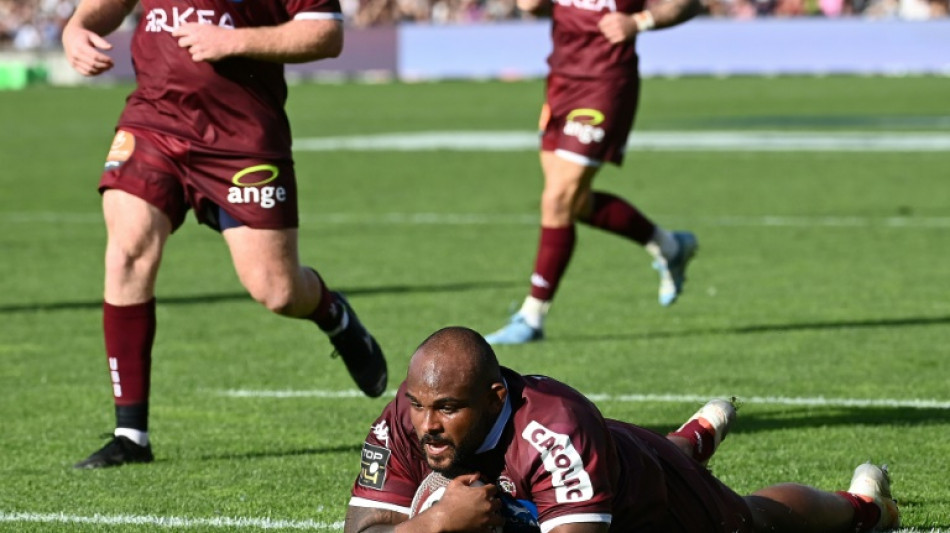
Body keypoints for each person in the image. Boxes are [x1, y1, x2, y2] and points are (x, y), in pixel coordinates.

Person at [63, 0, 388, 469]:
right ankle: (130, 435)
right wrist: (77, 27)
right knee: (128, 251)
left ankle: (332, 313)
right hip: (154, 123)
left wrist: (234, 40)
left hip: (242, 138)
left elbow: (325, 33)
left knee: (277, 290)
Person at [344, 326, 900, 533]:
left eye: (447, 409)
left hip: (647, 502)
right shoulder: (404, 420)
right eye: (417, 405)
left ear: (495, 398)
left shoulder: (554, 434)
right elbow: (364, 531)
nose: (427, 426)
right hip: (604, 456)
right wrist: (435, 524)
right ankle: (690, 441)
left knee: (749, 520)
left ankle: (863, 509)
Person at [484, 0, 706, 345]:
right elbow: (537, 7)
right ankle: (670, 246)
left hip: (604, 84)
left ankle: (532, 316)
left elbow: (689, 4)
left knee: (558, 199)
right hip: (561, 80)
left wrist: (641, 21)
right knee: (575, 203)